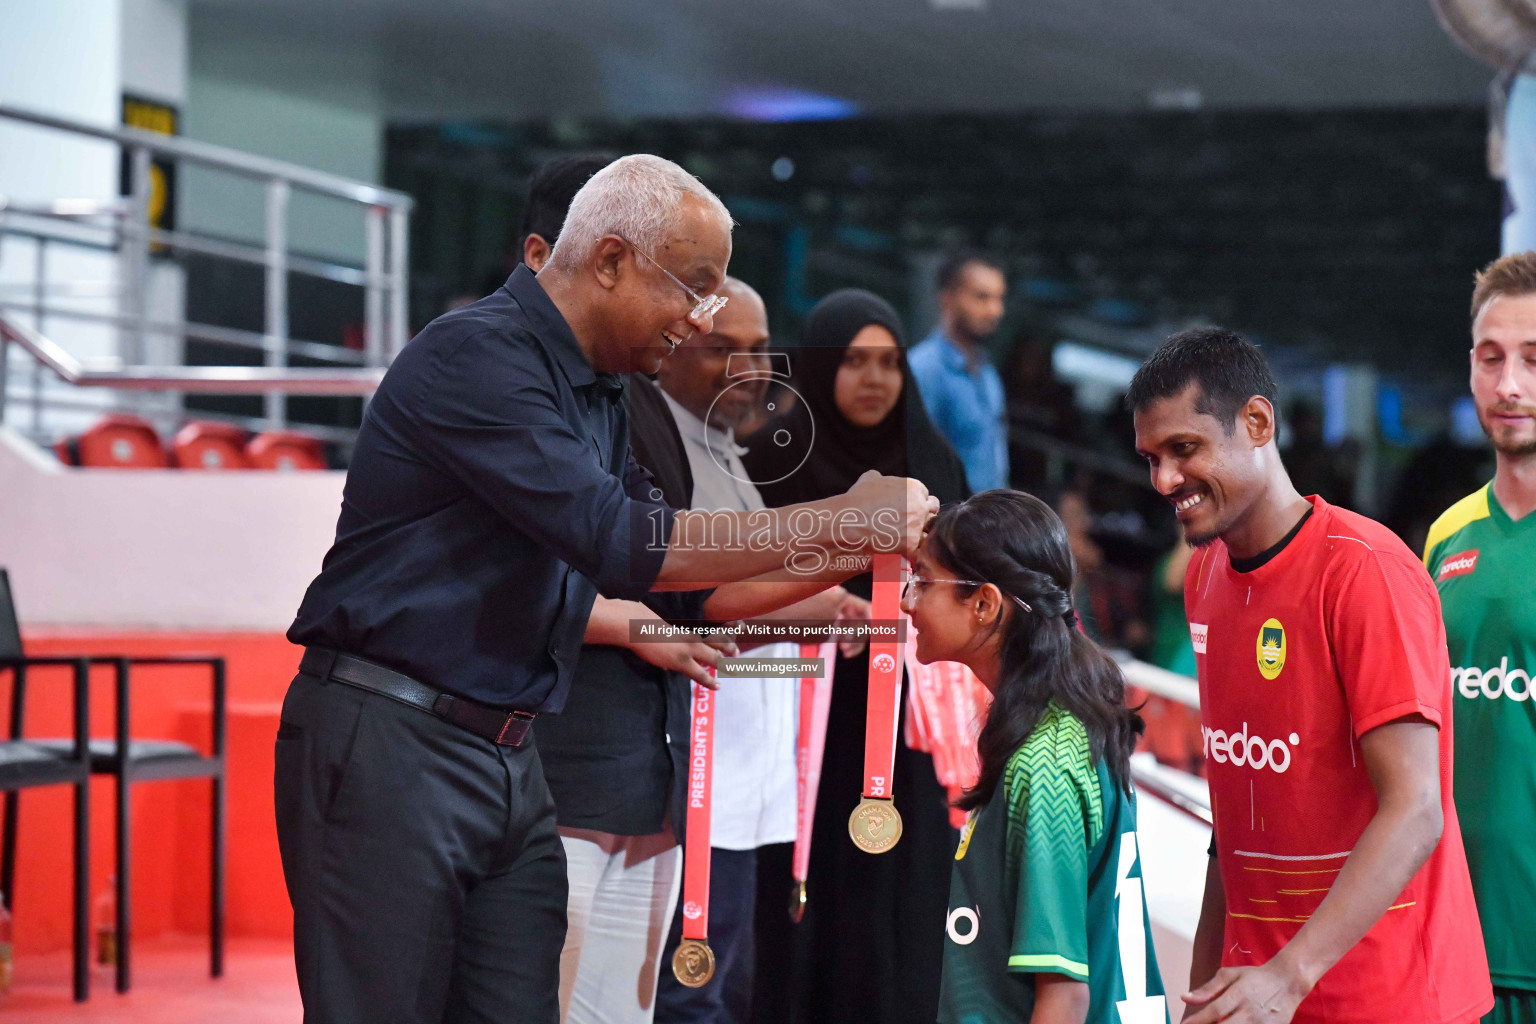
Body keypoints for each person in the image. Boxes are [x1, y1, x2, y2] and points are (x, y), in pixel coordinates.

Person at [277, 155, 936, 1024]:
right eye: (696, 289)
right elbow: (626, 545)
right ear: (613, 260)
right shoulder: (476, 356)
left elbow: (681, 594)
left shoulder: (601, 393)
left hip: (511, 755)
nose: (702, 316)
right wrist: (841, 523)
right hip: (394, 740)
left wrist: (853, 558)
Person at [1128, 327, 1492, 1024]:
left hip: (1391, 998)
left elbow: (1417, 810)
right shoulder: (1206, 572)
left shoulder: (1367, 572)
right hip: (1264, 994)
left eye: (1184, 449)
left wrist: (1287, 975)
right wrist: (1208, 982)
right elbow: (1232, 815)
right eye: (1151, 458)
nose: (1164, 480)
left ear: (1258, 423)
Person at [742, 289, 969, 1024]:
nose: (874, 380)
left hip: (904, 739)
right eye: (852, 363)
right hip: (796, 724)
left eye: (889, 364)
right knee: (797, 894)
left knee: (896, 904)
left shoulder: (936, 465)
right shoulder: (768, 462)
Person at [653, 278, 867, 1023]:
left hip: (735, 780)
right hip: (689, 783)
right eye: (724, 350)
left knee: (711, 990)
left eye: (760, 351)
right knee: (688, 996)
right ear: (672, 344)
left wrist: (834, 607)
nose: (750, 370)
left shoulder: (722, 450)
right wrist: (832, 597)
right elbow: (700, 612)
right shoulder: (661, 451)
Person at [902, 489, 1164, 1024]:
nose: (907, 601)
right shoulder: (1055, 728)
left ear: (984, 605)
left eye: (924, 582)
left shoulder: (1045, 763)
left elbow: (1063, 998)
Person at [1424, 252, 1536, 1024]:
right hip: (1452, 950)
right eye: (1491, 358)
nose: (1510, 385)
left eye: (1533, 360)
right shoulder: (1445, 537)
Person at [909, 250, 1009, 493]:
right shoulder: (924, 369)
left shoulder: (987, 372)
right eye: (982, 297)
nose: (995, 311)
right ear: (947, 299)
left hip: (986, 519)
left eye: (999, 298)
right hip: (944, 521)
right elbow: (912, 459)